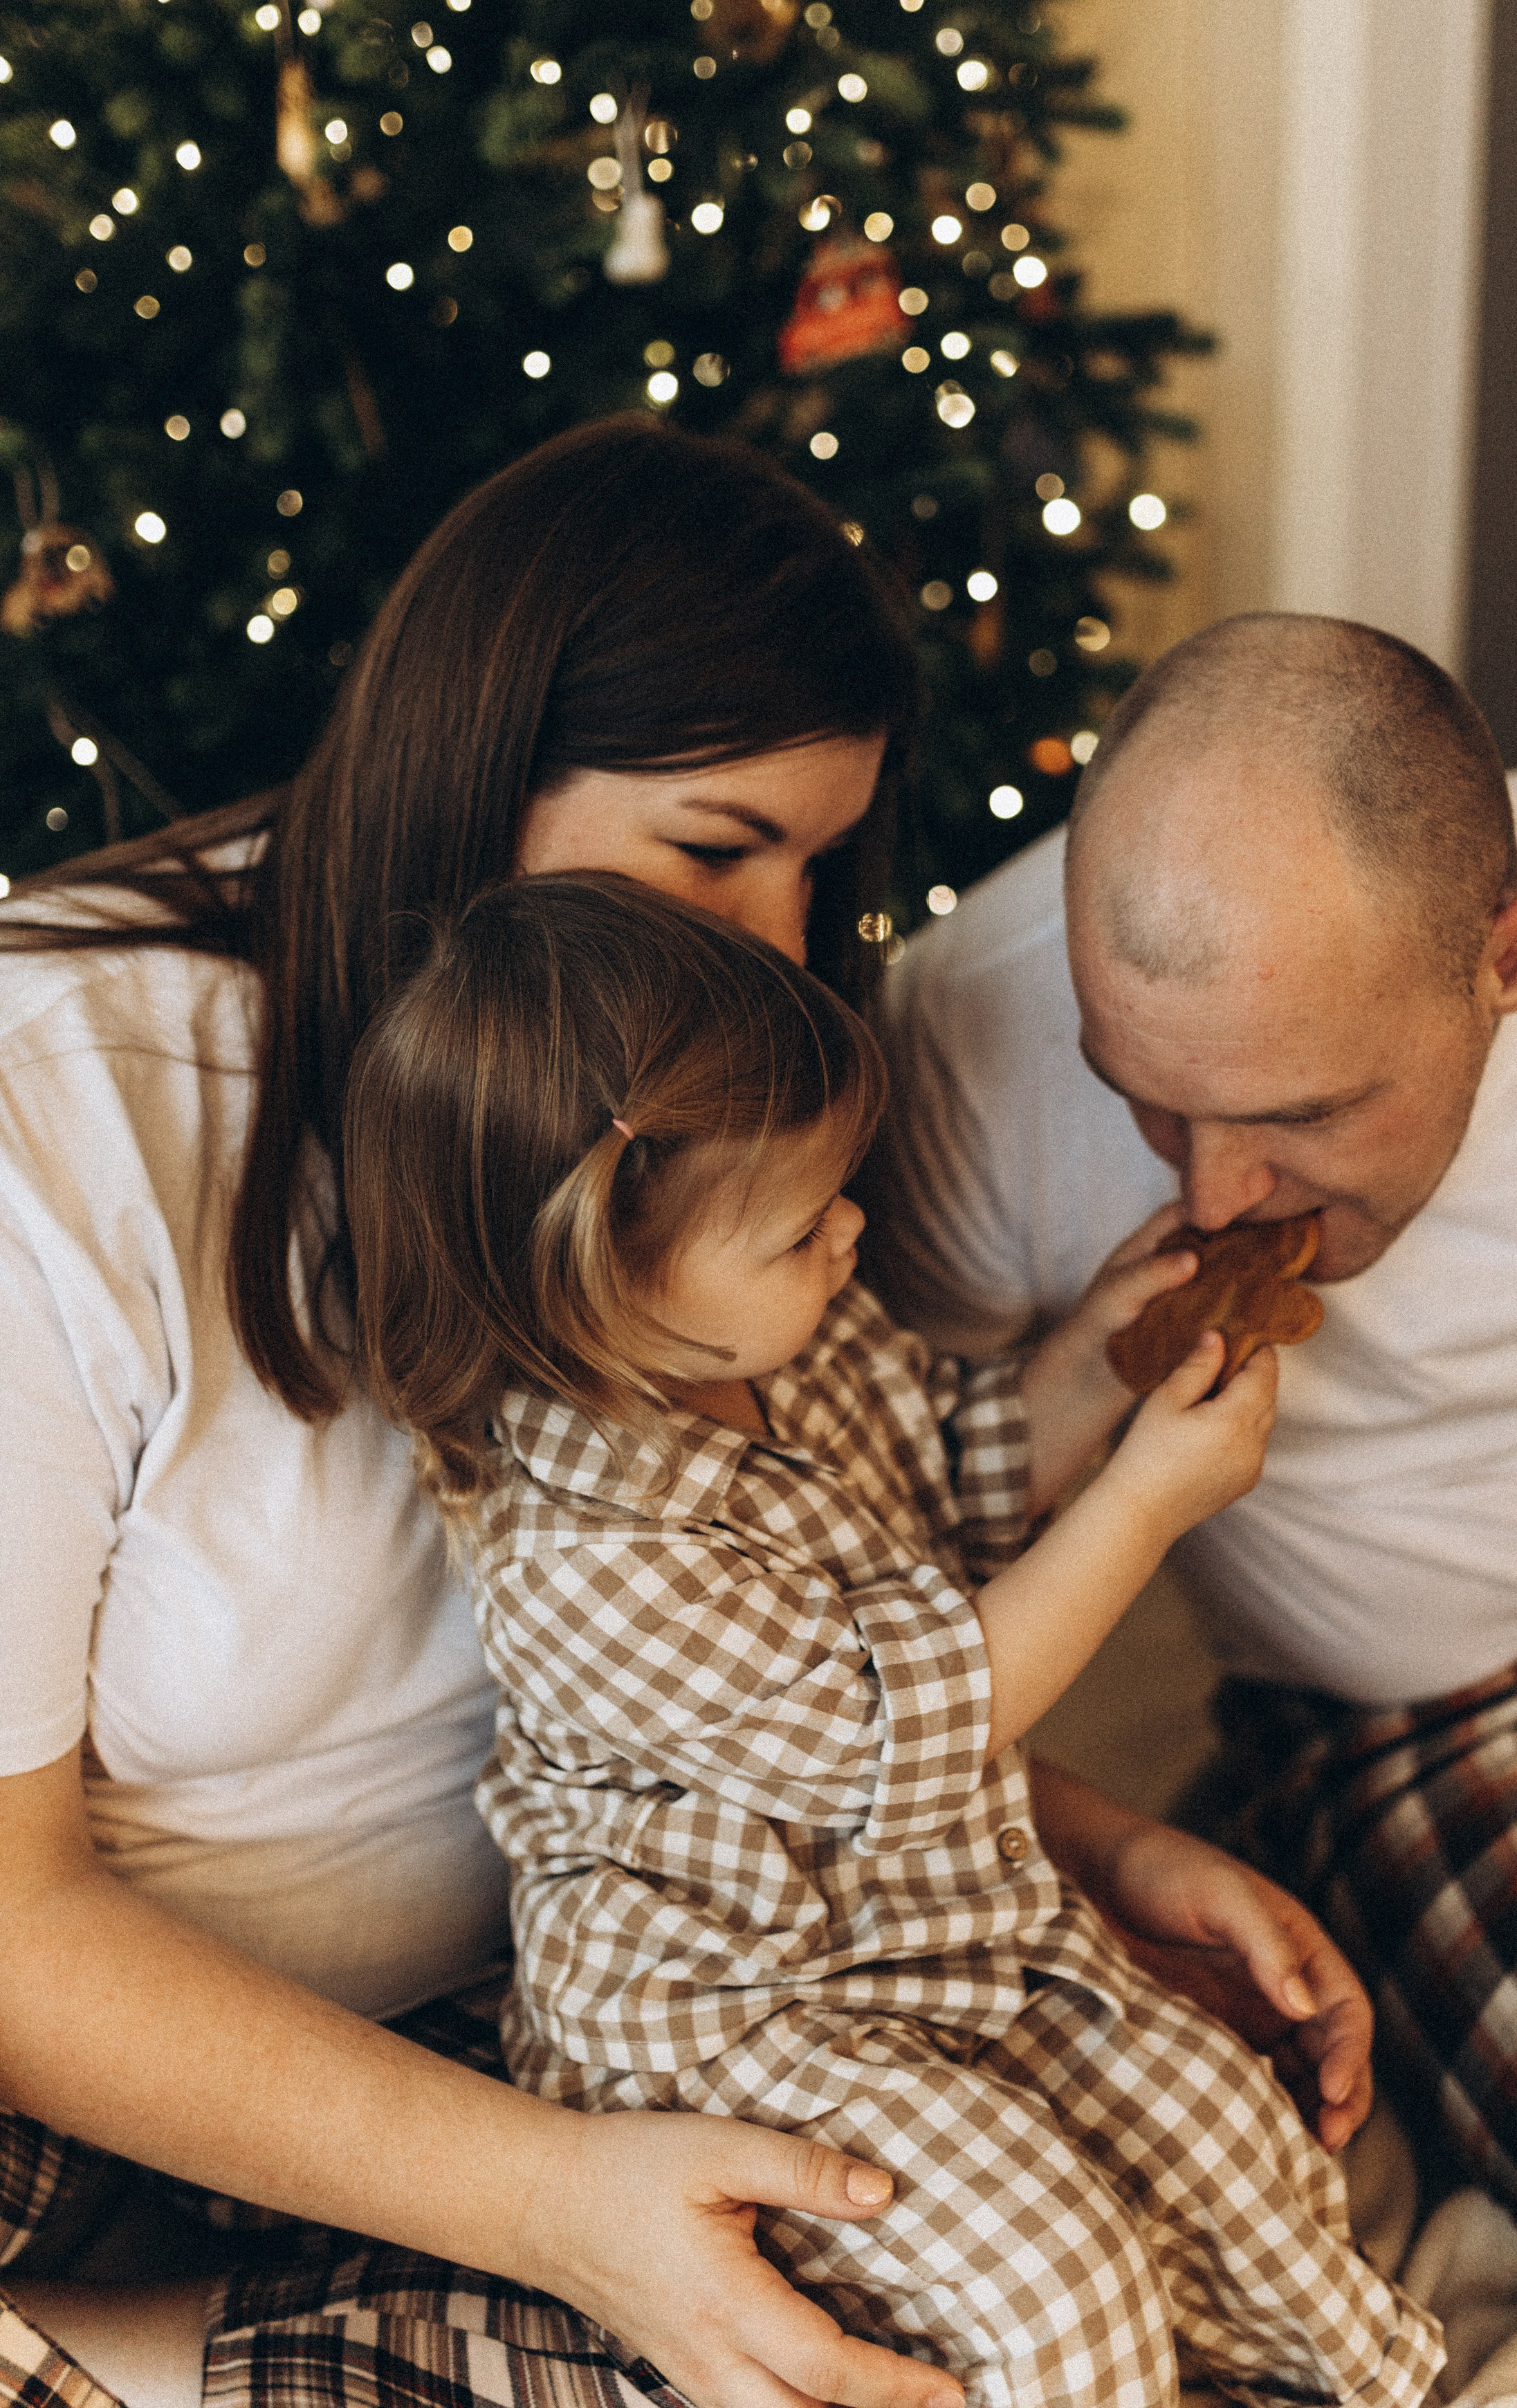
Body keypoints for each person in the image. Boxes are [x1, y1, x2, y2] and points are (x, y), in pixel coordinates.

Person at [0, 437, 1374, 2408]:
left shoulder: (700, 1193)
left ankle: (238, 2333)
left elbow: (752, 1650)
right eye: (715, 849)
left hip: (512, 2031)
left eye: (818, 871)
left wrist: (1090, 1847)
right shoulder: (63, 1119)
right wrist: (554, 2208)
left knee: (999, 2305)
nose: (779, 948)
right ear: (478, 780)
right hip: (82, 2086)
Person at [342, 869, 1446, 2408]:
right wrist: (1145, 1503)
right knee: (1050, 2278)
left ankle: (1357, 2381)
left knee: (1222, 2129)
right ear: (603, 1287)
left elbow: (955, 1469)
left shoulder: (789, 1338)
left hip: (951, 1927)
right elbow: (910, 1734)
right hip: (744, 2015)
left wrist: (1095, 1358)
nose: (852, 1228)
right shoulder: (580, 1558)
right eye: (802, 1224)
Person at [868, 610, 1517, 2375]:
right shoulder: (965, 1045)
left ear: (1515, 953)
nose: (1213, 1197)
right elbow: (873, 1572)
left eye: (1298, 1115)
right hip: (1450, 1718)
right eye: (1147, 1107)